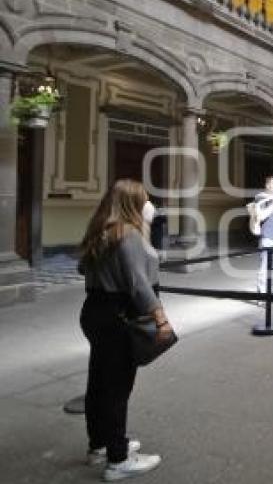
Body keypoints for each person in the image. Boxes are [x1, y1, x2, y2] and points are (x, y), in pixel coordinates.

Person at [78, 179, 170, 481]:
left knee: (99, 381)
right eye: (144, 199)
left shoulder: (101, 231)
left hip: (95, 311)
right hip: (118, 316)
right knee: (118, 387)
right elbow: (138, 283)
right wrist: (160, 318)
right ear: (133, 203)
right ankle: (118, 459)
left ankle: (100, 445)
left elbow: (83, 269)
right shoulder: (128, 234)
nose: (148, 204)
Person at [252, 176, 273, 293]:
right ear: (268, 186)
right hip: (268, 236)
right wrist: (272, 203)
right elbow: (260, 216)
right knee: (264, 267)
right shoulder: (261, 197)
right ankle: (262, 294)